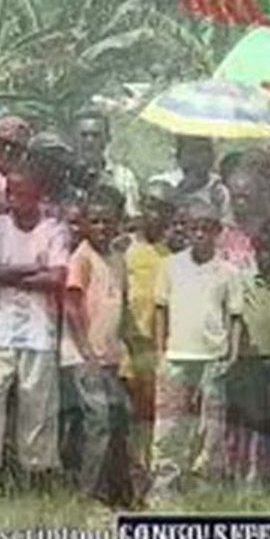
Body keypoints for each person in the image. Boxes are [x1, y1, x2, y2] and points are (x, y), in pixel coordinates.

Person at [0, 166, 68, 494]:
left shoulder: (54, 230)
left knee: (38, 403)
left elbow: (57, 278)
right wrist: (32, 268)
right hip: (0, 330)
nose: (15, 201)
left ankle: (36, 476)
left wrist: (7, 274)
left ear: (38, 197)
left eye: (23, 194)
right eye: (10, 194)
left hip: (38, 329)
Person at [151, 200, 243, 496]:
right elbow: (160, 310)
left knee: (211, 427)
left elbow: (235, 316)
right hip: (177, 356)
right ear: (186, 230)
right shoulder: (170, 266)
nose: (200, 234)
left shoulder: (228, 271)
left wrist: (233, 353)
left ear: (217, 232)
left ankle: (205, 482)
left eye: (207, 229)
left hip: (213, 357)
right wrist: (160, 352)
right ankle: (165, 482)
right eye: (194, 228)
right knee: (169, 423)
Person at [64, 186, 133, 506]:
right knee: (100, 421)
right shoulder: (81, 258)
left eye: (109, 222)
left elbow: (122, 304)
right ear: (86, 225)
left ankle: (120, 492)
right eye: (96, 222)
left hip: (111, 355)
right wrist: (86, 350)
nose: (103, 228)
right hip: (86, 356)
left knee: (120, 418)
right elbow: (72, 306)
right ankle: (90, 494)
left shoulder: (118, 259)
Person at [226, 223, 270, 487]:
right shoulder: (244, 280)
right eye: (261, 250)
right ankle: (245, 474)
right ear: (254, 252)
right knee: (250, 420)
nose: (267, 256)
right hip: (250, 360)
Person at [120, 180, 175, 500]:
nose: (156, 215)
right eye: (151, 206)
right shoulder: (124, 248)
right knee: (127, 417)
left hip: (158, 350)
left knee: (152, 418)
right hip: (127, 347)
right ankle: (129, 480)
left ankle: (150, 482)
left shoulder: (172, 256)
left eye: (164, 210)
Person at [72, 109, 141, 218]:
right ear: (74, 138)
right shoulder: (63, 174)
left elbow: (131, 218)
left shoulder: (123, 178)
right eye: (84, 135)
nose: (89, 140)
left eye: (96, 135)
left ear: (108, 138)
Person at [149, 136, 231, 221]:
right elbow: (155, 193)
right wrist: (185, 194)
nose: (200, 158)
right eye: (192, 152)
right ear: (179, 157)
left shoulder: (219, 190)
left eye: (205, 151)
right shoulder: (164, 181)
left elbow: (225, 220)